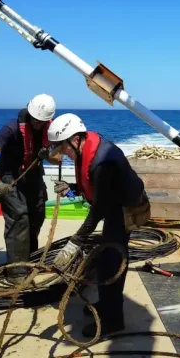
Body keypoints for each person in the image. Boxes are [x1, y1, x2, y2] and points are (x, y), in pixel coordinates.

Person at [48, 113, 150, 337]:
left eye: (63, 147)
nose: (63, 153)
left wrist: (76, 241)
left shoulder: (103, 162)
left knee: (112, 263)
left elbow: (100, 207)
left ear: (75, 140)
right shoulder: (86, 150)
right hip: (113, 205)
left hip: (124, 210)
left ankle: (113, 321)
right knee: (106, 260)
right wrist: (72, 187)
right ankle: (106, 304)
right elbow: (95, 185)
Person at [0, 94, 62, 282]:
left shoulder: (50, 130)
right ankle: (16, 273)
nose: (37, 124)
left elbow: (57, 159)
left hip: (34, 177)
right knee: (19, 219)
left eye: (41, 122)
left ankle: (29, 261)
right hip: (10, 179)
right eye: (34, 120)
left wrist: (47, 155)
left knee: (36, 216)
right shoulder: (11, 128)